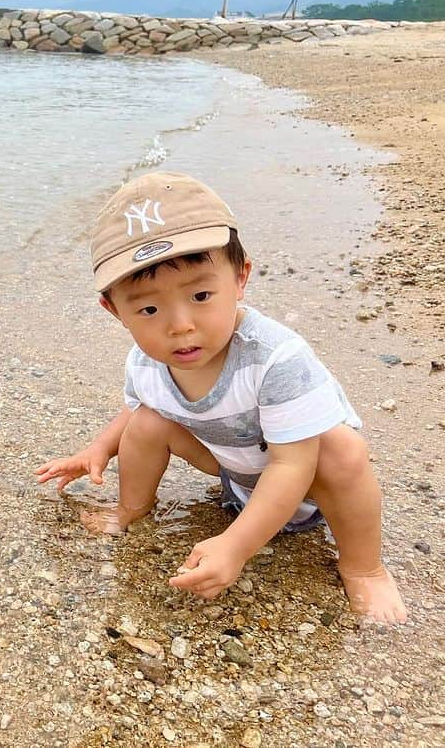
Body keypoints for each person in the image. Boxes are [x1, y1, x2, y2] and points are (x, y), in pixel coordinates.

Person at [34, 172, 407, 624]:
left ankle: (364, 568)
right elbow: (135, 408)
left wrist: (235, 546)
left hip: (307, 489)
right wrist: (96, 449)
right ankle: (130, 507)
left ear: (241, 277)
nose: (180, 325)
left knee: (342, 449)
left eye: (202, 295)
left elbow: (294, 464)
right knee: (148, 422)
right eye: (148, 308)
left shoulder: (274, 357)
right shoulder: (145, 361)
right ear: (114, 310)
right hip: (236, 478)